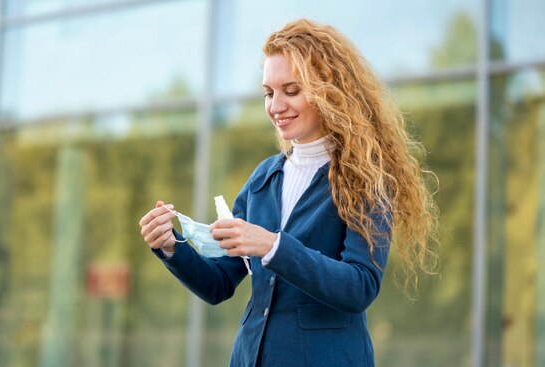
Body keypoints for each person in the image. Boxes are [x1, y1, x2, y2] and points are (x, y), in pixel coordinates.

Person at [139, 18, 438, 367]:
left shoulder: (366, 178)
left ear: (329, 89)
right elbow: (219, 283)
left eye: (292, 91)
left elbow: (360, 287)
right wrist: (171, 247)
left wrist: (271, 245)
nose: (276, 106)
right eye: (269, 92)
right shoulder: (263, 178)